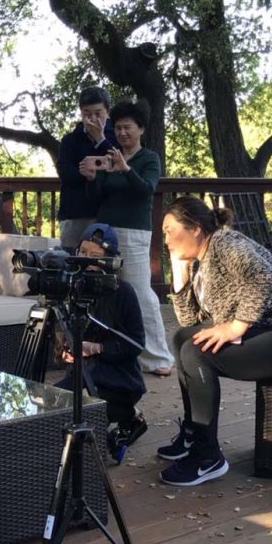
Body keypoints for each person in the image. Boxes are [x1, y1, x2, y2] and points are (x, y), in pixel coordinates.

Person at [158, 197, 272, 486]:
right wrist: (179, 270)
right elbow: (189, 321)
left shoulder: (225, 243)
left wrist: (235, 327)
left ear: (195, 229)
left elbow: (264, 276)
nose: (166, 240)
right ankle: (193, 434)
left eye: (170, 230)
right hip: (269, 330)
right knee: (183, 337)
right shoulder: (201, 260)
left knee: (197, 353)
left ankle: (208, 458)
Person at [84, 99, 174, 377]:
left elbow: (146, 190)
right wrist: (92, 177)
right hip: (105, 232)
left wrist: (125, 169)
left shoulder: (149, 158)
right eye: (119, 128)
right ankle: (111, 350)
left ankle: (158, 357)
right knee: (104, 288)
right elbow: (97, 196)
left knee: (139, 291)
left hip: (134, 232)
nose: (122, 133)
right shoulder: (110, 157)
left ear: (141, 129)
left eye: (128, 128)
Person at [55, 223, 148, 463]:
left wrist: (96, 348)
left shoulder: (123, 292)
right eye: (83, 252)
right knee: (54, 402)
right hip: (82, 374)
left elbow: (136, 343)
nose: (87, 261)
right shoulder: (74, 285)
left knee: (83, 417)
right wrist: (67, 349)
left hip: (117, 379)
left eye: (94, 256)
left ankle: (127, 418)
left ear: (108, 260)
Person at [56, 86, 117, 250]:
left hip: (107, 212)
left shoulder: (117, 136)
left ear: (107, 111)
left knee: (104, 259)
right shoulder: (70, 140)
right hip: (75, 212)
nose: (92, 118)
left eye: (98, 113)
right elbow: (64, 172)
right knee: (71, 257)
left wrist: (100, 139)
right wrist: (85, 173)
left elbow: (118, 165)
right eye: (87, 114)